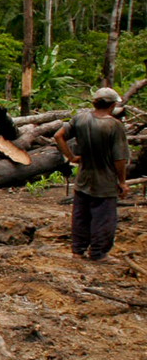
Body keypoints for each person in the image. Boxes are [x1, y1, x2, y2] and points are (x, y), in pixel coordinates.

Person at [53, 87, 131, 261]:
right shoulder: (114, 125)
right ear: (112, 105)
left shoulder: (80, 119)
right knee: (103, 218)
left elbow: (58, 136)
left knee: (81, 215)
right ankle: (98, 253)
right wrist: (122, 181)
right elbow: (119, 158)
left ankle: (77, 251)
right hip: (105, 179)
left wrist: (71, 157)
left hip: (83, 176)